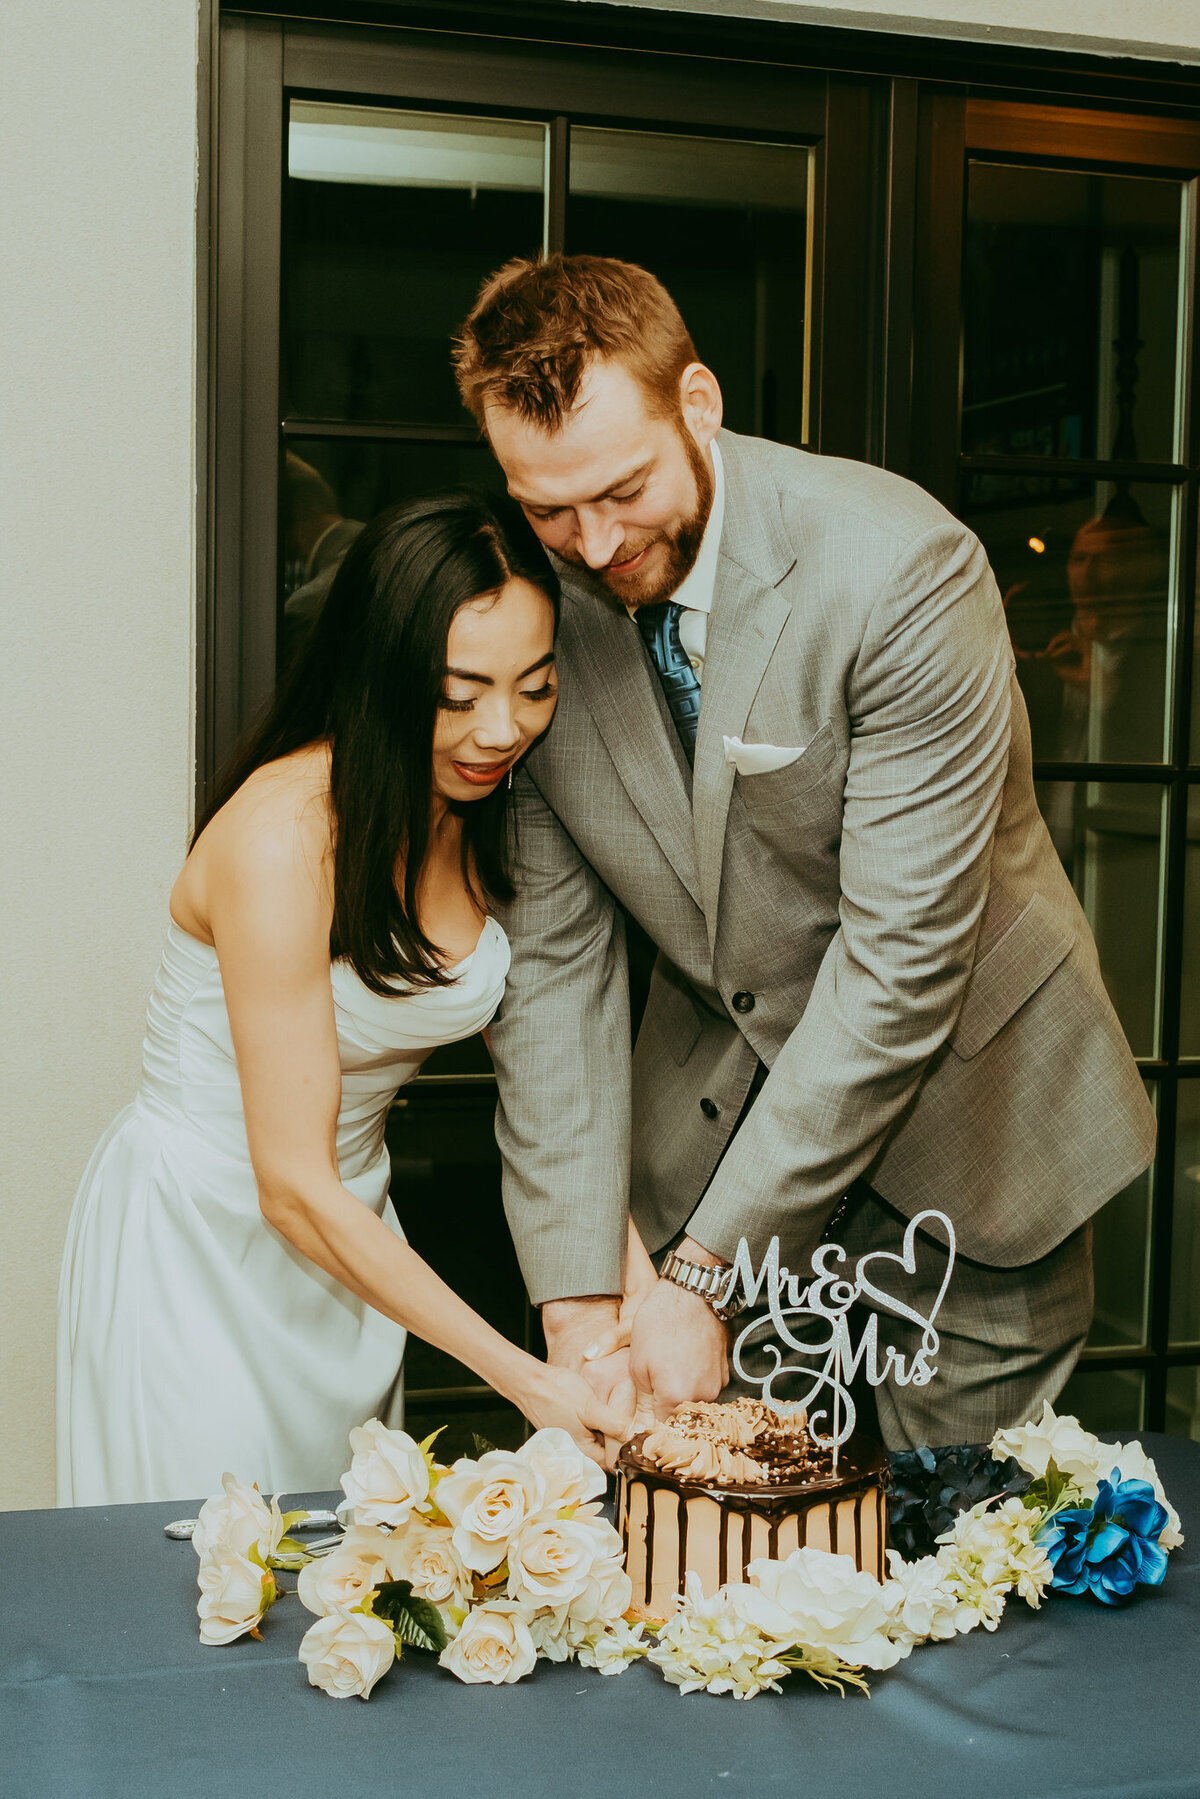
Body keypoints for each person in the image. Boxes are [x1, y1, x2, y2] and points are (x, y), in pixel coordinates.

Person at [452, 253, 1157, 1452]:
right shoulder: (547, 610)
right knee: (732, 1561)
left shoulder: (899, 569)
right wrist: (579, 1290)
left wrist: (712, 1270)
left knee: (958, 1550)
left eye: (621, 490)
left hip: (979, 1129)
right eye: (545, 506)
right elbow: (556, 974)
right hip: (714, 1134)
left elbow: (899, 965)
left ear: (701, 404)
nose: (593, 541)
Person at [56, 490, 627, 1506]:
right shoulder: (282, 837)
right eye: (459, 693)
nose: (502, 728)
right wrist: (526, 1376)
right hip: (203, 1240)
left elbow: (554, 1086)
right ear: (383, 673)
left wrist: (630, 1286)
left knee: (348, 1584)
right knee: (212, 1567)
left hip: (356, 1242)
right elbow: (290, 1183)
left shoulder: (489, 802)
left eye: (535, 686)